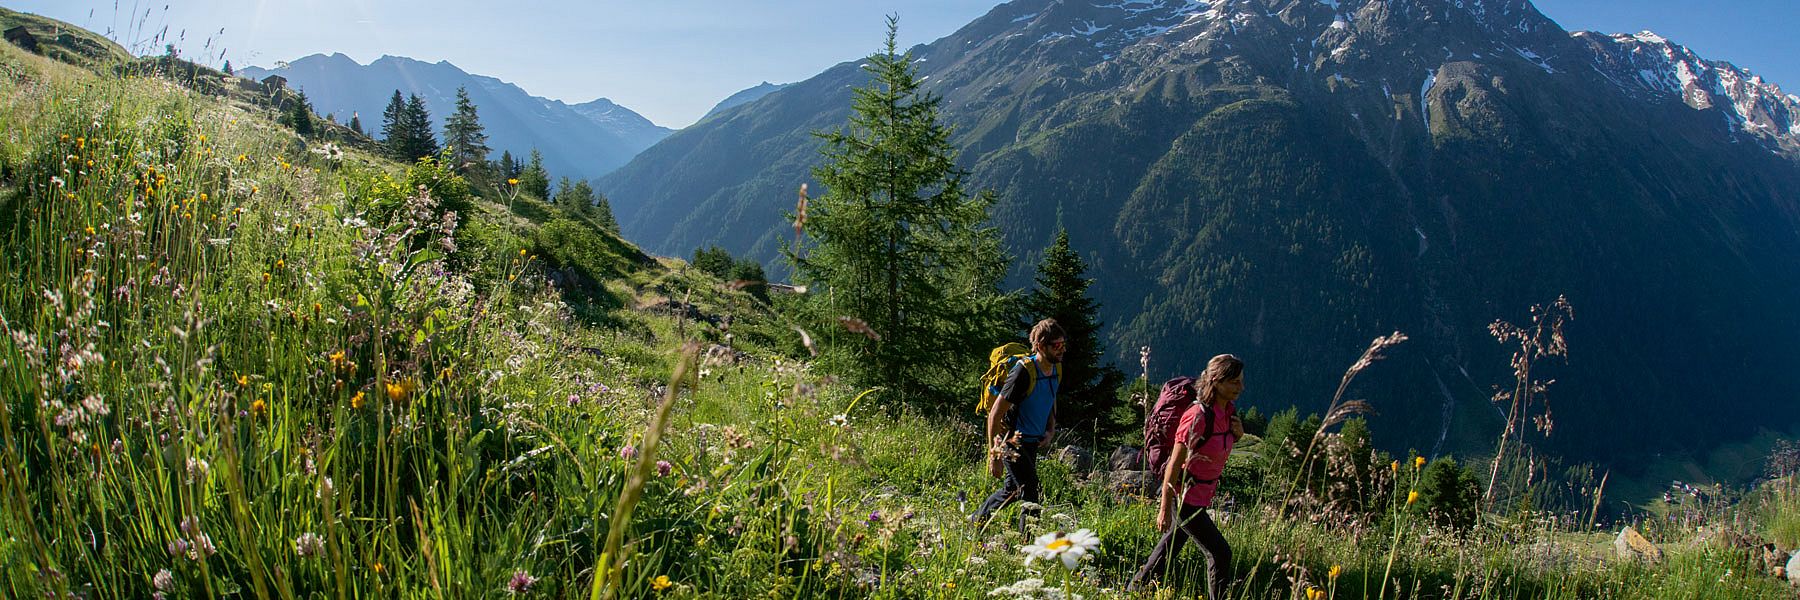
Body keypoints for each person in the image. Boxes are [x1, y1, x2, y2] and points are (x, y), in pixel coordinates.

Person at [1129, 354, 1246, 597]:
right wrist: (1165, 508)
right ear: (1216, 380)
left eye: (1241, 381)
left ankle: (1135, 589)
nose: (1240, 387)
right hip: (1185, 497)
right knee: (1220, 552)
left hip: (1202, 494)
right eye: (1234, 382)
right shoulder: (1197, 416)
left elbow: (1218, 445)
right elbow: (1174, 463)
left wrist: (1239, 435)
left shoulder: (1227, 412)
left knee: (1171, 546)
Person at [971, 318, 1066, 527]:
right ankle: (1028, 545)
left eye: (1063, 344)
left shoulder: (1055, 369)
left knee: (1012, 490)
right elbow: (995, 414)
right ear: (1040, 346)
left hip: (1033, 440)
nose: (1062, 350)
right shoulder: (1023, 372)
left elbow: (1050, 398)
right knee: (1031, 492)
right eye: (1056, 346)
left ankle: (975, 520)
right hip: (1012, 440)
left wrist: (1051, 429)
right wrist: (994, 455)